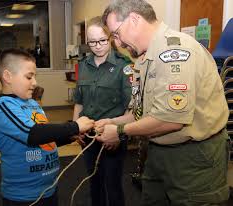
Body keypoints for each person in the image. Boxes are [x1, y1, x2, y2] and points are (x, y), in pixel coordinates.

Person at [95, 0, 230, 205]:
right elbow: (142, 112)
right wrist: (113, 122)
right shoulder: (143, 58)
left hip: (193, 156)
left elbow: (170, 119)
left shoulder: (175, 52)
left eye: (116, 33)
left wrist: (120, 131)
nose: (118, 43)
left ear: (134, 19)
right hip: (158, 151)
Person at [0, 49, 94, 206]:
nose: (35, 82)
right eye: (29, 77)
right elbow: (32, 134)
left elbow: (45, 138)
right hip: (23, 197)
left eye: (35, 76)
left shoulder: (32, 104)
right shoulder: (3, 106)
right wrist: (74, 126)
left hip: (48, 189)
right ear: (8, 76)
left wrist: (69, 137)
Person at [73, 16, 132, 206]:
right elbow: (79, 101)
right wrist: (75, 128)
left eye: (102, 40)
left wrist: (116, 129)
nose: (97, 46)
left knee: (113, 184)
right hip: (88, 135)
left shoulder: (124, 66)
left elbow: (132, 109)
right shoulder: (83, 65)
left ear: (111, 38)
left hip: (112, 135)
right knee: (94, 183)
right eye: (92, 42)